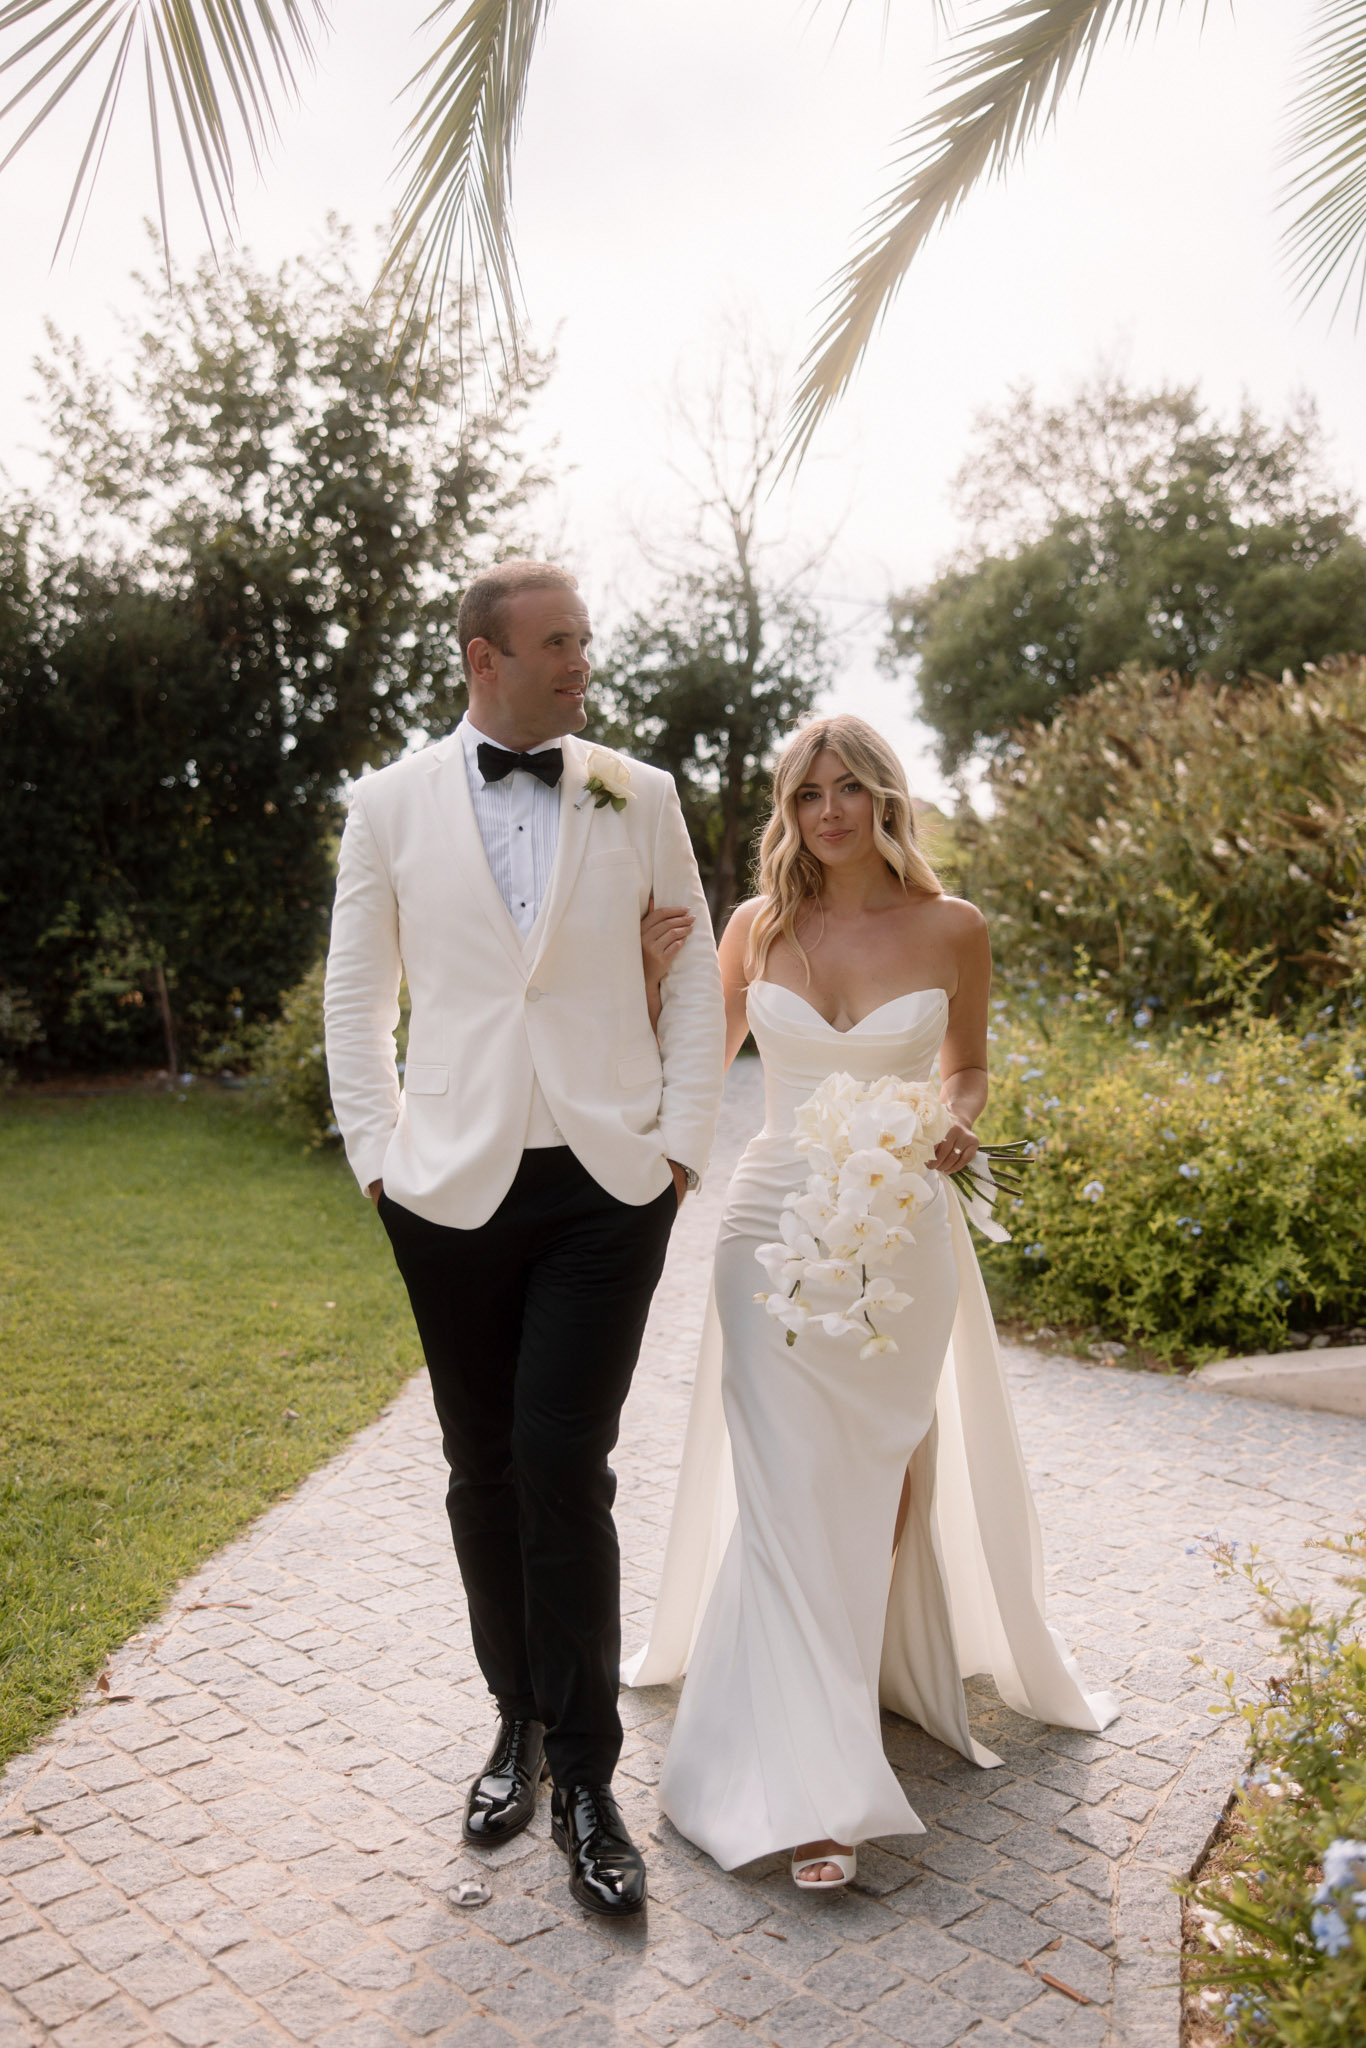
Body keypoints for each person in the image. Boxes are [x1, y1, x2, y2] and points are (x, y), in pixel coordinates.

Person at [626, 714, 1116, 1889]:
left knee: (879, 1484)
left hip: (899, 1229)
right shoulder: (755, 927)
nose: (828, 811)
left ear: (885, 797)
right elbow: (689, 1065)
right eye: (807, 793)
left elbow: (967, 1066)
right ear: (787, 810)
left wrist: (957, 1117)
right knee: (786, 1484)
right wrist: (650, 981)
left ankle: (835, 1683)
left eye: (848, 788)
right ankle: (816, 1789)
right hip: (767, 1229)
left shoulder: (955, 927)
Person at [323, 561, 726, 1916]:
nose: (580, 661)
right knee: (480, 1467)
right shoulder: (385, 806)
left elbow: (696, 973)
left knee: (562, 1460)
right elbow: (356, 1000)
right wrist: (379, 1160)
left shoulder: (636, 792)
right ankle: (519, 1723)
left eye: (585, 639)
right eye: (556, 641)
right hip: (445, 1187)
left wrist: (678, 1146)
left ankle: (592, 1779)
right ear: (482, 657)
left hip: (608, 1184)